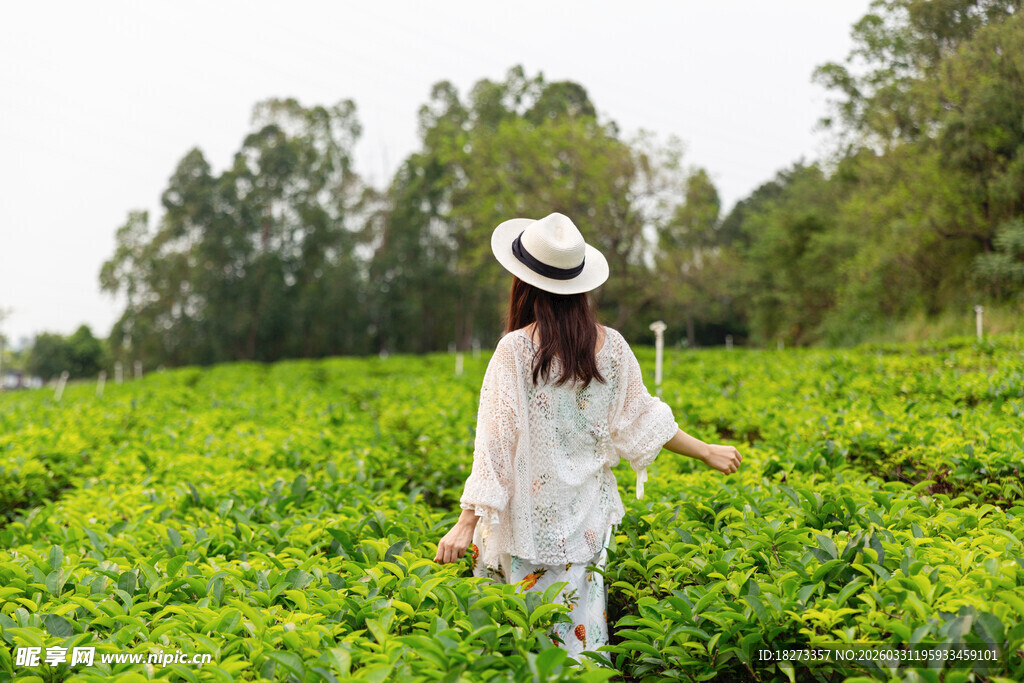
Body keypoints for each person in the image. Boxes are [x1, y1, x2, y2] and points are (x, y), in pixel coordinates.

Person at [433, 212, 742, 662]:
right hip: (587, 526)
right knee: (582, 644)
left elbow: (495, 443)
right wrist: (706, 451)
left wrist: (467, 521)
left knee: (523, 647)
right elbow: (644, 420)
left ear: (524, 284)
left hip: (526, 524)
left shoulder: (515, 349)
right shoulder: (611, 347)